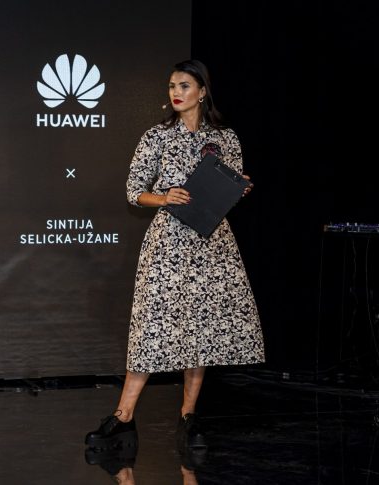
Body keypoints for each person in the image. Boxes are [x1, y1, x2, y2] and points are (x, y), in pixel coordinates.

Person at [85, 59, 265, 452]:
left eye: (184, 85)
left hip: (212, 242)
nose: (176, 92)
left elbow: (230, 185)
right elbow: (134, 191)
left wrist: (239, 188)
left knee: (200, 328)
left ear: (202, 91)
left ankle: (188, 414)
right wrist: (165, 197)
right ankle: (123, 416)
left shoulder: (225, 137)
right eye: (171, 86)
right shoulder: (157, 135)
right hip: (169, 242)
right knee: (151, 327)